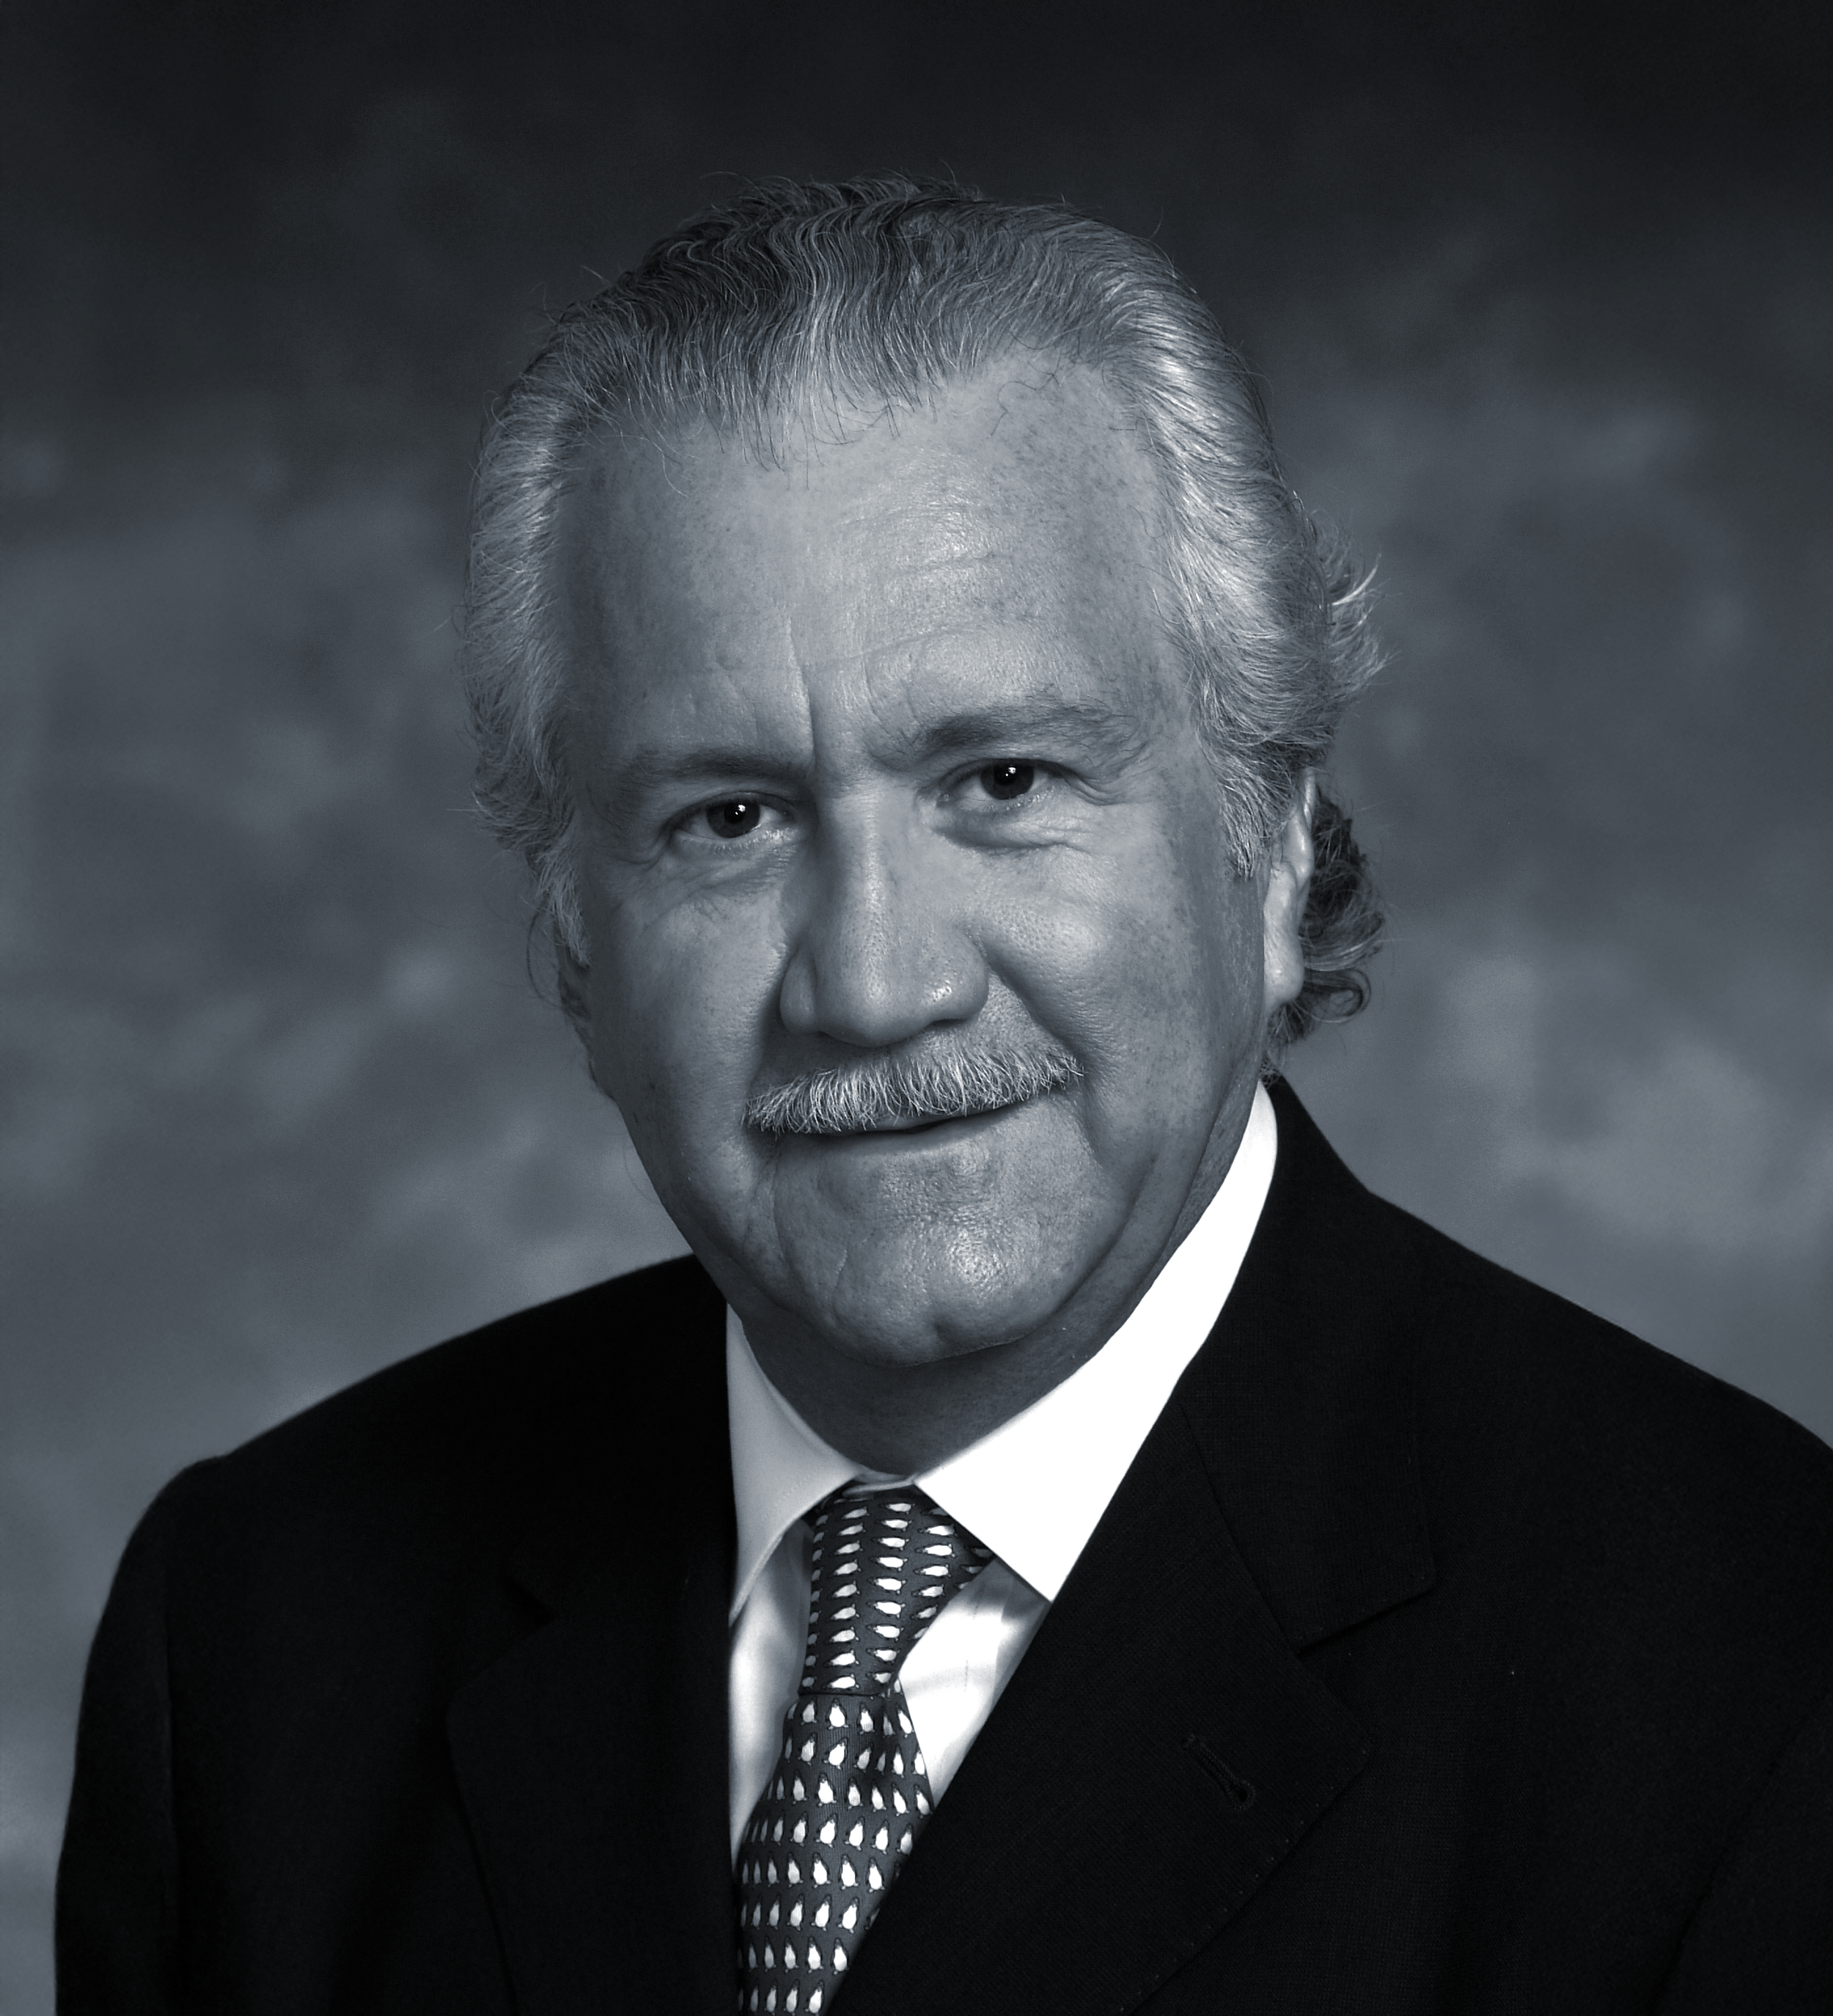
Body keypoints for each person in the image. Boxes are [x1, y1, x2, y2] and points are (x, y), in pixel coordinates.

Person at [56, 178, 1833, 2015]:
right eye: (727, 819)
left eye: (1001, 778)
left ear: (1274, 846)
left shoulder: (1752, 1670)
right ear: (576, 945)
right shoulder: (262, 1633)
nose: (876, 982)